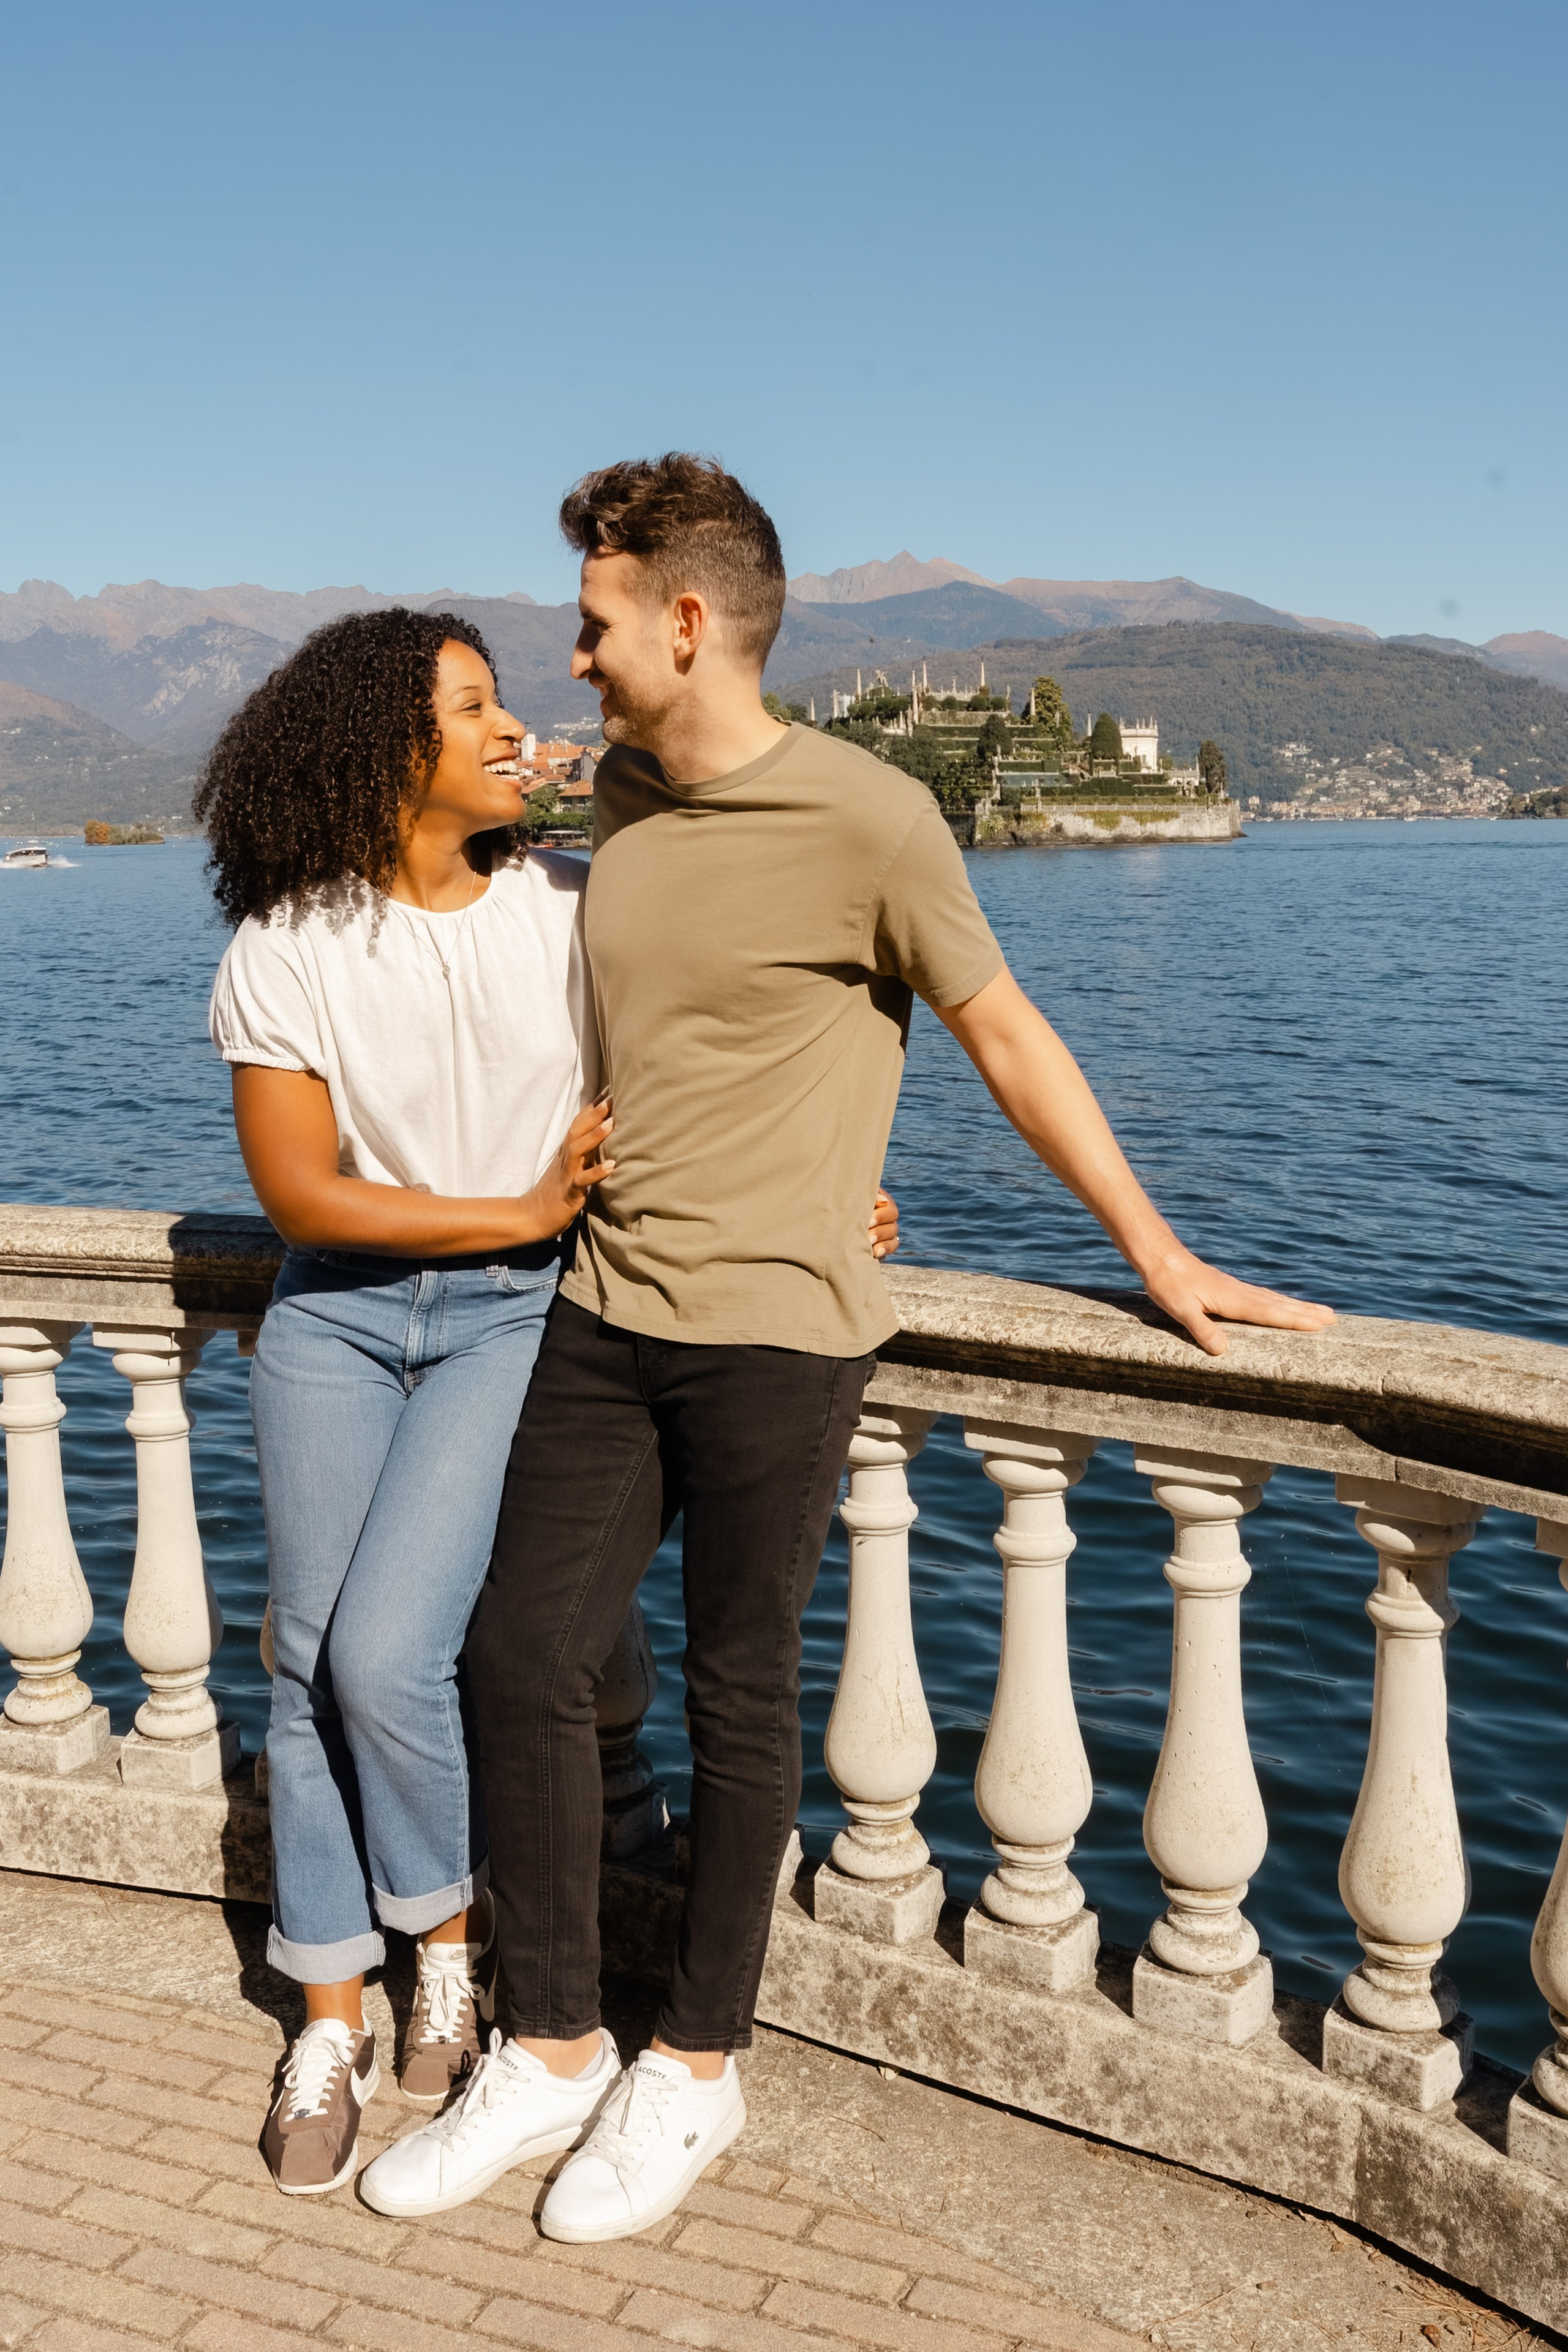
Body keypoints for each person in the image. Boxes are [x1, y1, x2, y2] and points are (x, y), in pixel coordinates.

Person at [360, 454, 1333, 2237]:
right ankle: (557, 2045)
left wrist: (1158, 1250)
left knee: (741, 1698)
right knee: (520, 1655)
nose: (570, 660)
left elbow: (1007, 1034)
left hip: (781, 1334)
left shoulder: (876, 818)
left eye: (590, 625)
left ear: (686, 617)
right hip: (600, 1300)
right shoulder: (625, 798)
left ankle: (697, 2075)